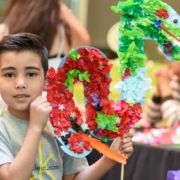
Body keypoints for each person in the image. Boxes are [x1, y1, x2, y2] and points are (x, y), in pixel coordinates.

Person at [0, 33, 133, 180]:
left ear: (46, 80)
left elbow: (73, 177)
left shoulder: (62, 123)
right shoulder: (2, 128)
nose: (20, 83)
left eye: (31, 74)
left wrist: (111, 158)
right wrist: (35, 127)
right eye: (9, 74)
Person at [0, 0, 90, 112]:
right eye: (9, 74)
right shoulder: (63, 33)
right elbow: (84, 40)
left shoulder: (4, 31)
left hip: (51, 116)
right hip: (57, 115)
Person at [144, 57, 180, 128]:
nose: (167, 60)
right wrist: (159, 90)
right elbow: (150, 119)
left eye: (173, 55)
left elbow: (177, 126)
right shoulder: (175, 81)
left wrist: (165, 88)